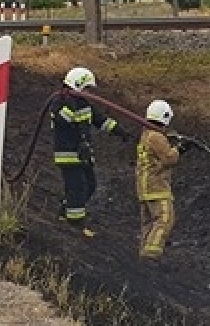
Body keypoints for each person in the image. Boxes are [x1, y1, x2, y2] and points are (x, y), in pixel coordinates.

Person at [46, 66, 123, 237]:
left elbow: (100, 121)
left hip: (83, 154)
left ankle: (65, 211)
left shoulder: (85, 104)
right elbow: (63, 119)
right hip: (67, 155)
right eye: (87, 88)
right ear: (78, 85)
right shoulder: (59, 102)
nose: (89, 92)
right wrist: (70, 102)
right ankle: (75, 225)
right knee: (77, 187)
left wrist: (119, 131)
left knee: (90, 185)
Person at [136, 99, 191, 259]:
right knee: (165, 219)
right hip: (156, 186)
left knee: (149, 224)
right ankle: (151, 255)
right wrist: (180, 148)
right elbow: (169, 158)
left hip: (144, 186)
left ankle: (144, 253)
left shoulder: (147, 135)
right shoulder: (156, 137)